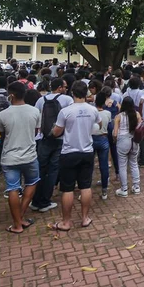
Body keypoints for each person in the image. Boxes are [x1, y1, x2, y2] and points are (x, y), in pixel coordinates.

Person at [49, 80, 98, 231]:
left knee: (68, 188)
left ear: (72, 93)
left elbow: (56, 132)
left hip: (69, 152)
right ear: (86, 93)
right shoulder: (92, 110)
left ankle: (66, 222)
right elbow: (99, 125)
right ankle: (84, 218)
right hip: (87, 151)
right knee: (85, 186)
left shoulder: (66, 111)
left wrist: (52, 131)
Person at [0, 81, 41, 234]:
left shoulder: (2, 115)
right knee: (32, 182)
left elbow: (2, 135)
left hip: (10, 157)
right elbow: (35, 132)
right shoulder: (34, 111)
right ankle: (20, 215)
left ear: (11, 95)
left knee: (13, 188)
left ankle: (17, 222)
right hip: (30, 154)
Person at [31, 78, 72, 213]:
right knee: (53, 169)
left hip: (43, 138)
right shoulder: (67, 100)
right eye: (65, 87)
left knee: (41, 168)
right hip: (61, 138)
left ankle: (35, 199)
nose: (66, 89)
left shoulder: (41, 100)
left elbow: (36, 119)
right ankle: (45, 200)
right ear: (59, 87)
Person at [113, 98, 140, 197]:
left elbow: (115, 133)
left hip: (122, 141)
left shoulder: (119, 117)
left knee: (122, 165)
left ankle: (124, 189)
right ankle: (136, 186)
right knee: (134, 163)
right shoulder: (137, 114)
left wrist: (115, 141)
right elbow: (139, 128)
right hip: (134, 141)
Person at [90, 90, 112, 200]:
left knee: (89, 166)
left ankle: (86, 189)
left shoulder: (91, 113)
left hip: (91, 139)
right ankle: (104, 191)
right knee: (104, 166)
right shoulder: (108, 113)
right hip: (103, 139)